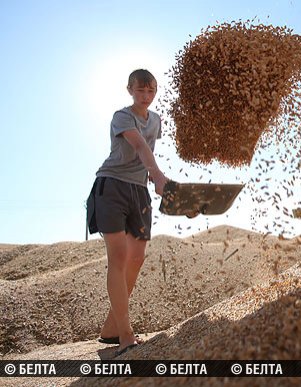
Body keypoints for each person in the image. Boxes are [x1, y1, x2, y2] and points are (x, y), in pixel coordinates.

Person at [86, 69, 168, 357]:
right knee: (119, 256)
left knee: (136, 257)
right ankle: (125, 335)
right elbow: (139, 145)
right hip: (111, 186)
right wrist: (157, 175)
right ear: (130, 90)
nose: (146, 96)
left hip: (138, 191)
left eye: (151, 91)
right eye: (140, 91)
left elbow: (150, 149)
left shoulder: (156, 120)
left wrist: (169, 190)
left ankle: (110, 326)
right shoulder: (122, 116)